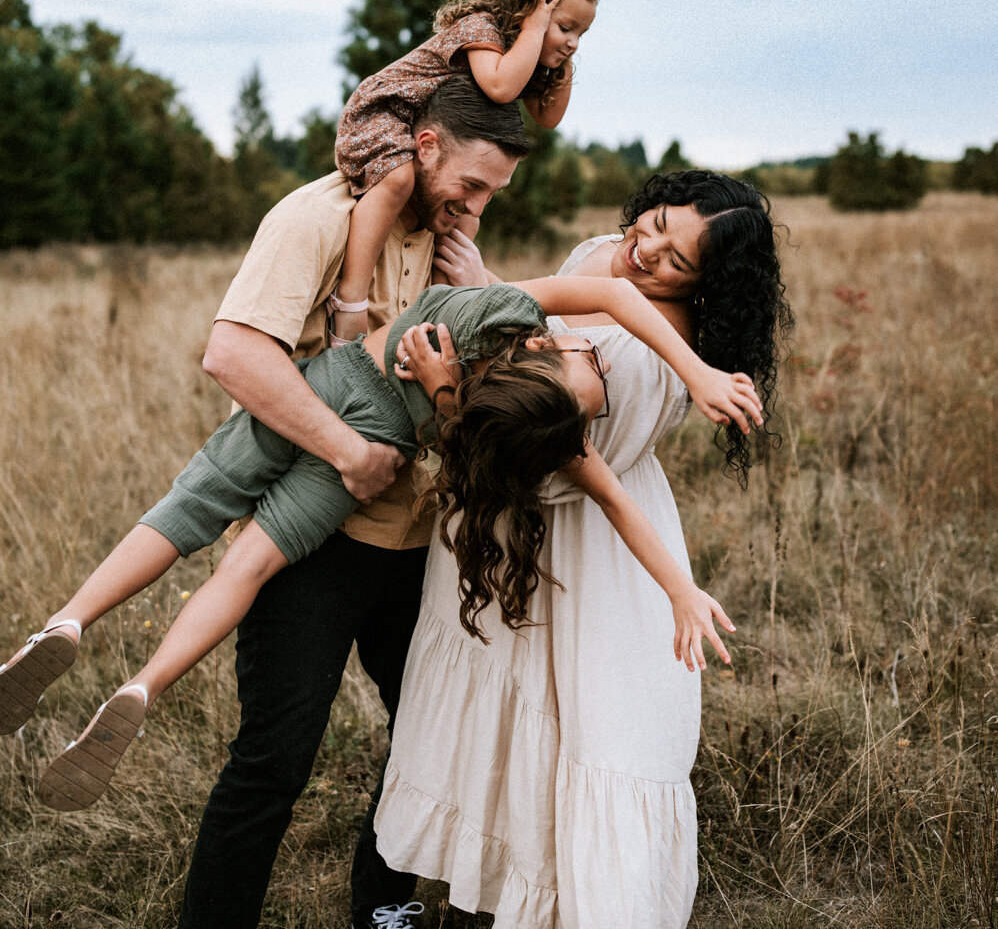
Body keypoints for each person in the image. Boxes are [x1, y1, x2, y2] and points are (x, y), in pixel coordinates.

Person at [7, 75, 527, 929]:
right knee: (271, 763)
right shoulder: (315, 214)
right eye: (467, 184)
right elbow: (233, 355)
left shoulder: (450, 246)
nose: (473, 205)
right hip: (319, 539)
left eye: (492, 194)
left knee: (428, 725)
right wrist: (344, 449)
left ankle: (380, 900)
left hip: (416, 538)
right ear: (423, 146)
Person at [9, 271, 759, 816]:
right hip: (377, 449)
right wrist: (680, 590)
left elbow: (615, 298)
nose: (588, 354)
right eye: (595, 370)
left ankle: (69, 621)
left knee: (189, 510)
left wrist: (692, 375)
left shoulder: (492, 316)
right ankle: (147, 684)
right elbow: (622, 506)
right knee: (249, 563)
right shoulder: (510, 430)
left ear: (544, 347)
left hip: (323, 394)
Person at [375, 170, 793, 929]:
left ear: (706, 286)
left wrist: (451, 392)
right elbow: (553, 318)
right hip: (530, 516)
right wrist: (484, 279)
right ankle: (505, 894)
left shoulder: (637, 360)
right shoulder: (612, 260)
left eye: (676, 261)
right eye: (653, 224)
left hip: (578, 532)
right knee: (519, 720)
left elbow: (550, 456)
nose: (645, 251)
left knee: (599, 732)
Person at [329, 0, 599, 343]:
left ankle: (438, 304)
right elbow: (501, 87)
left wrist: (563, 54)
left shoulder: (526, 53)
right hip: (383, 112)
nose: (573, 41)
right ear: (531, 10)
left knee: (468, 216)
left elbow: (548, 117)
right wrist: (537, 31)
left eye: (582, 33)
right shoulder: (482, 28)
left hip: (429, 126)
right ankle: (350, 301)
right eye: (565, 27)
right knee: (399, 179)